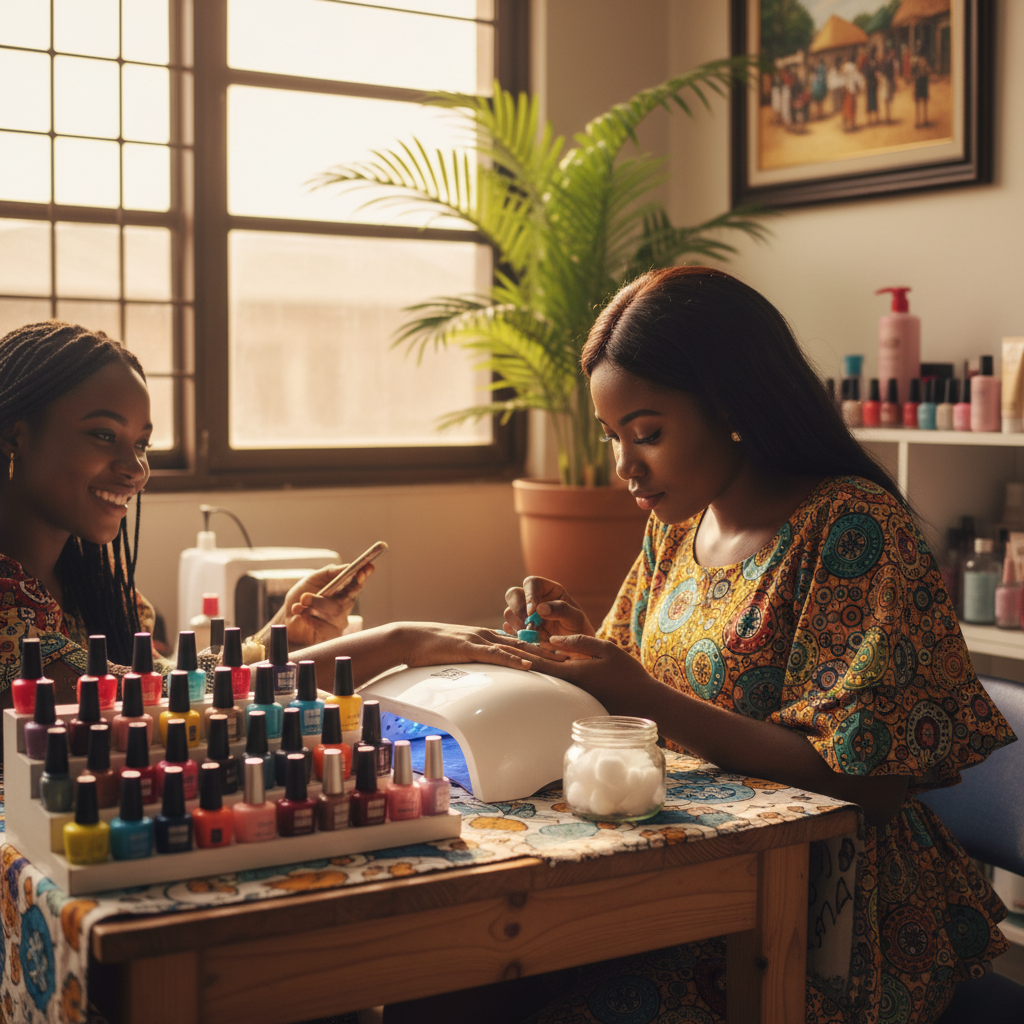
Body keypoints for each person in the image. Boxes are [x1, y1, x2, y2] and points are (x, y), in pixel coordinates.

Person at [500, 267, 1015, 1024]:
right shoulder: (678, 528)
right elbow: (623, 680)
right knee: (459, 979)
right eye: (615, 438)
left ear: (732, 406)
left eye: (647, 434)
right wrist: (570, 642)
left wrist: (641, 696)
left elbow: (866, 782)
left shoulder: (852, 530)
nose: (624, 468)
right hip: (691, 876)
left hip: (824, 912)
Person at [0, 321, 532, 711]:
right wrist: (398, 643)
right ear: (17, 434)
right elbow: (154, 701)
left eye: (142, 444)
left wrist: (281, 637)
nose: (135, 469)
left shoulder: (89, 581)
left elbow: (171, 677)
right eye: (103, 435)